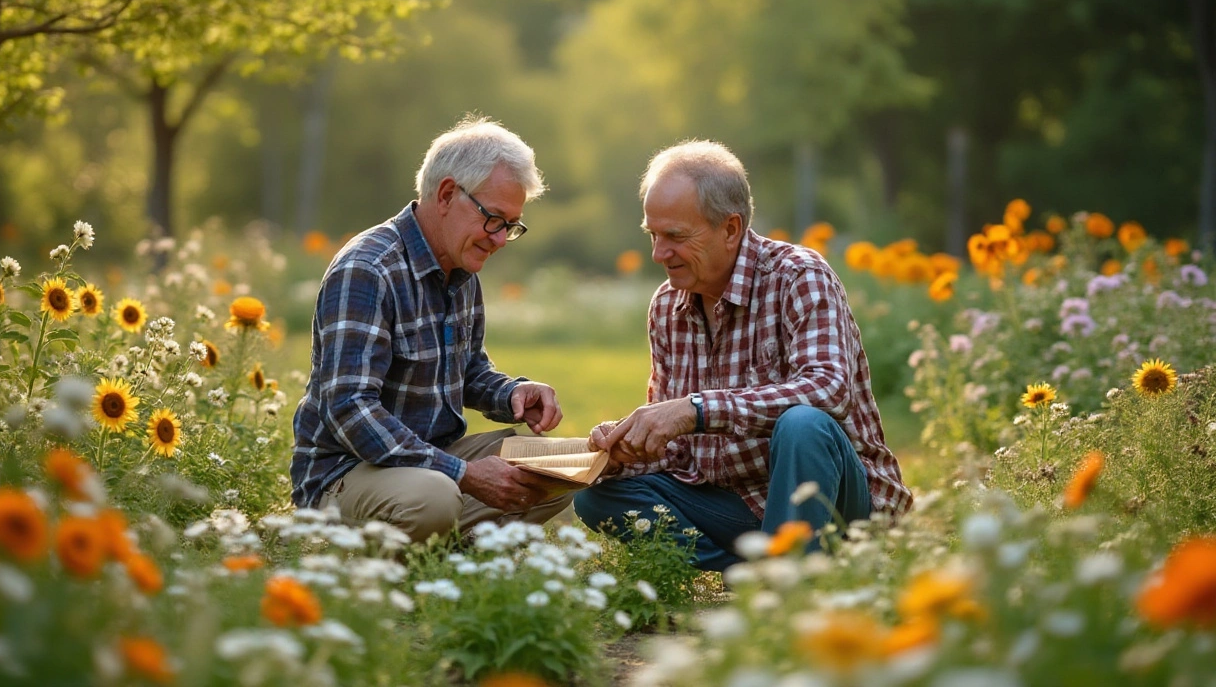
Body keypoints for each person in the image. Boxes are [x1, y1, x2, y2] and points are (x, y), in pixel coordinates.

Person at [574, 140, 912, 572]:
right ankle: (760, 568)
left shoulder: (798, 277)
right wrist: (627, 448)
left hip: (837, 503)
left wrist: (696, 409)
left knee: (804, 423)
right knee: (597, 496)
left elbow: (829, 390)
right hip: (736, 505)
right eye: (653, 235)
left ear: (730, 228)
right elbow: (678, 448)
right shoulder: (666, 306)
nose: (659, 254)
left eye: (676, 236)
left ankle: (793, 573)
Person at [291, 116, 572, 542]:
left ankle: (445, 566)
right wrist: (463, 473)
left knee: (550, 471)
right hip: (345, 474)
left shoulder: (460, 269)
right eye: (494, 219)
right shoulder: (368, 271)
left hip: (429, 463)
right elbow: (349, 407)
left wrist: (512, 393)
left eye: (511, 226)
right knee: (434, 498)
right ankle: (394, 571)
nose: (499, 239)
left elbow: (468, 370)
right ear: (446, 194)